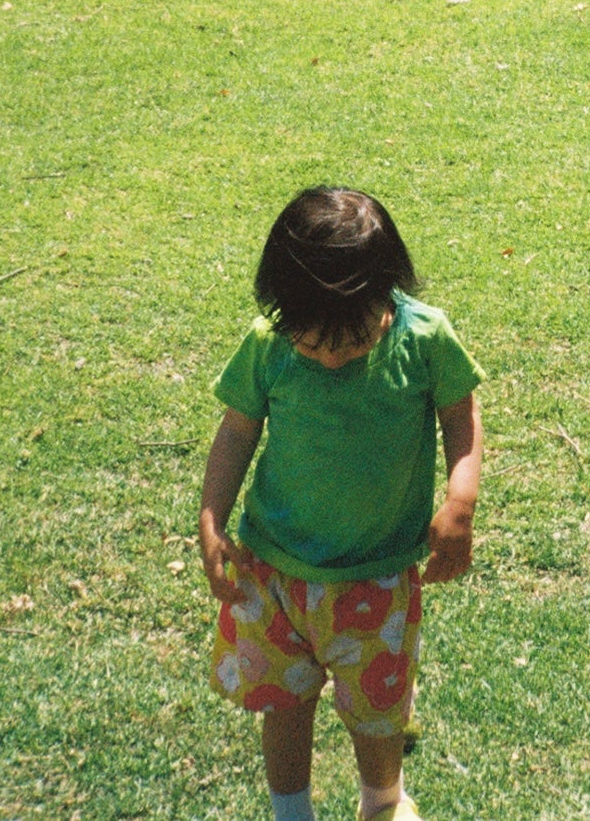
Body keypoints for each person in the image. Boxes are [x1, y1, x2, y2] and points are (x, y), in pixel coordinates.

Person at [198, 188, 482, 821]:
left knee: (378, 713)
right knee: (285, 704)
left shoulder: (424, 338)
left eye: (349, 340)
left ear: (385, 299)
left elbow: (460, 416)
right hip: (274, 572)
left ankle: (382, 801)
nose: (329, 357)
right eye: (312, 341)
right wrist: (211, 519)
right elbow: (237, 432)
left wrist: (460, 499)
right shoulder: (268, 344)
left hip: (377, 576)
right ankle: (290, 811)